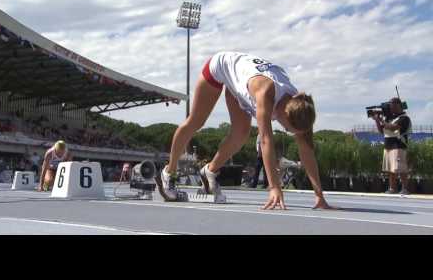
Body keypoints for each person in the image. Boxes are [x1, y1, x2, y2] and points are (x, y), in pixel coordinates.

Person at [157, 51, 336, 210]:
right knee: (196, 122)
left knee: (240, 134)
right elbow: (266, 140)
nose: (286, 131)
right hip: (220, 67)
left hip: (241, 83)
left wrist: (319, 196)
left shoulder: (300, 107)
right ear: (284, 113)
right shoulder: (266, 93)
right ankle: (169, 172)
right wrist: (274, 187)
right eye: (288, 129)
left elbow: (307, 151)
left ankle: (209, 171)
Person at [372, 97, 412, 195]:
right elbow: (382, 131)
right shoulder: (389, 118)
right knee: (390, 169)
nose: (389, 106)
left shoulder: (404, 118)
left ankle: (405, 188)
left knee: (401, 168)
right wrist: (377, 120)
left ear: (398, 105)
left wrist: (381, 120)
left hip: (399, 145)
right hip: (388, 146)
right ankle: (392, 188)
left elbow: (394, 128)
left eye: (391, 104)